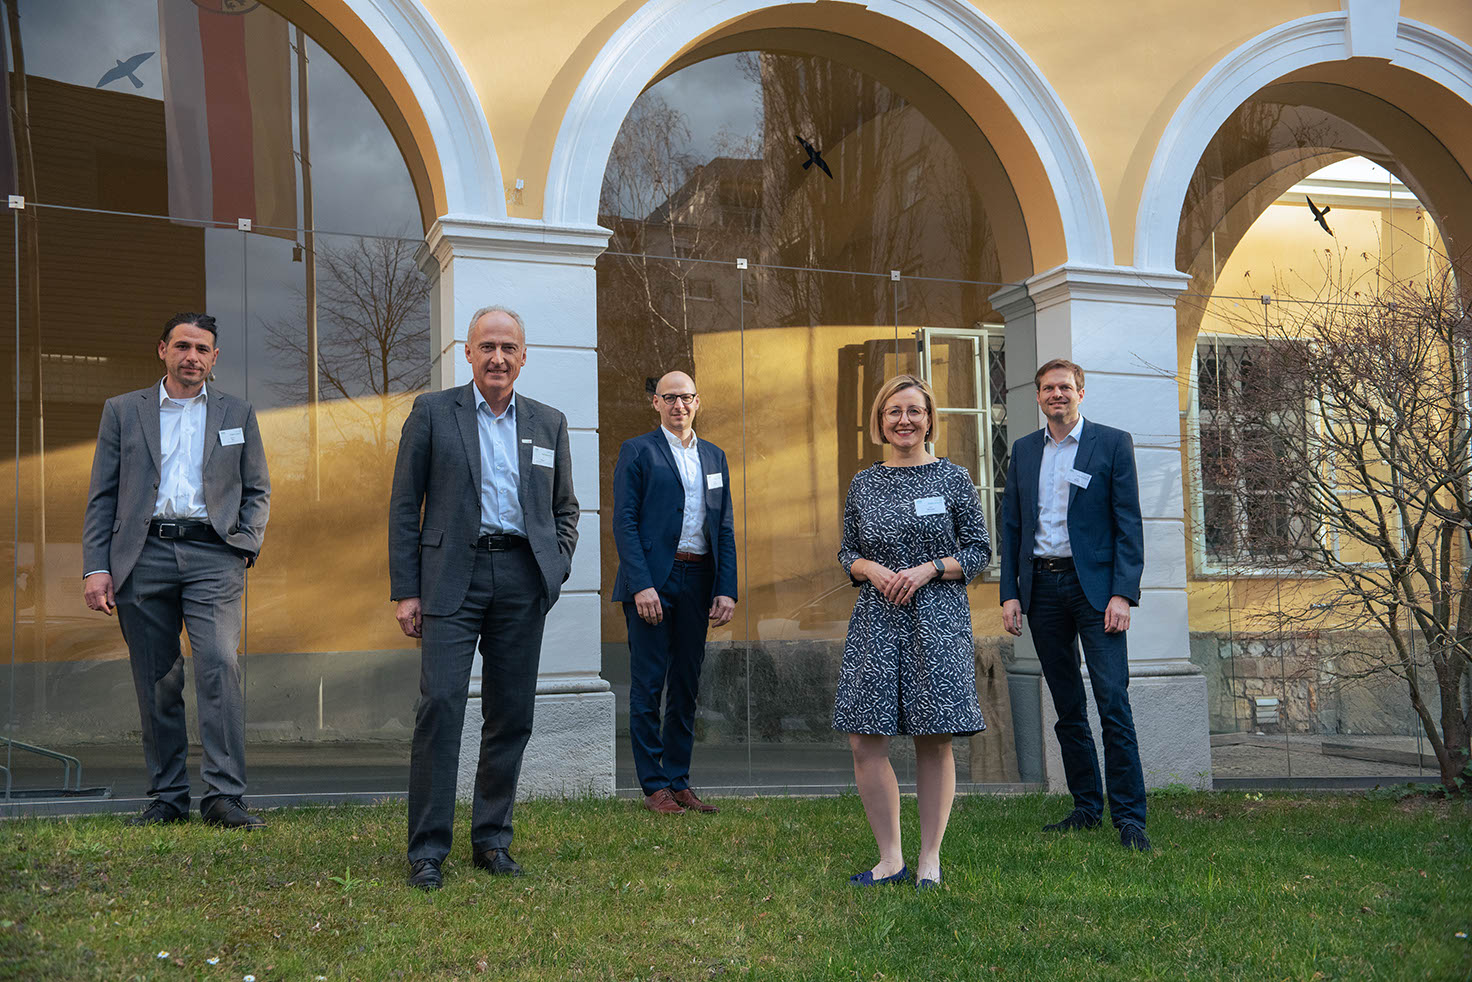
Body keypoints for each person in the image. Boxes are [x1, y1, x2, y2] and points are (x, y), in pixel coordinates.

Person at [389, 305, 579, 891]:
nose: (498, 358)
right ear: (468, 353)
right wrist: (406, 591)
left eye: (508, 348)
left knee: (511, 714)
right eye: (487, 347)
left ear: (523, 358)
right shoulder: (432, 412)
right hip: (451, 577)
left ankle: (492, 840)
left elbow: (565, 508)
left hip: (521, 578)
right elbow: (405, 506)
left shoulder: (549, 422)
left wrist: (555, 566)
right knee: (441, 707)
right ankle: (427, 851)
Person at [82, 312, 271, 830]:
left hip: (213, 555)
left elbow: (257, 488)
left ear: (215, 358)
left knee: (219, 667)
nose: (192, 356)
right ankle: (167, 797)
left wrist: (245, 543)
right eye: (183, 346)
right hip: (143, 556)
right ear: (162, 349)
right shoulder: (123, 411)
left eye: (202, 349)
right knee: (157, 679)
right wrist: (96, 567)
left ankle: (224, 797)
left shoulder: (237, 411)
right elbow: (102, 494)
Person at [834, 374, 990, 889]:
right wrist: (869, 569)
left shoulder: (954, 478)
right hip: (876, 618)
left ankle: (929, 860)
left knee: (934, 737)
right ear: (880, 422)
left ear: (929, 420)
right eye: (894, 411)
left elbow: (978, 550)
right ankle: (890, 860)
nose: (904, 420)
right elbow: (847, 551)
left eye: (914, 411)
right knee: (864, 739)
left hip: (937, 618)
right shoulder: (864, 483)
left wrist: (930, 569)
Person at [998, 358, 1150, 852]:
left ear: (1080, 393)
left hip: (1097, 594)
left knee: (1113, 703)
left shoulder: (1112, 443)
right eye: (1048, 388)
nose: (1056, 395)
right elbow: (1012, 527)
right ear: (1038, 396)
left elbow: (1128, 523)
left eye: (1065, 387)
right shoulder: (1024, 450)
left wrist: (1123, 593)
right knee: (1066, 706)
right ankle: (1086, 807)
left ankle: (1129, 819)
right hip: (1042, 590)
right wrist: (1010, 592)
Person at [611, 371, 737, 815]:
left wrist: (726, 588)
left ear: (697, 401)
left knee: (686, 685)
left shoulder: (715, 456)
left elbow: (723, 526)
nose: (678, 405)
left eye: (686, 397)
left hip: (699, 579)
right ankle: (654, 786)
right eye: (669, 398)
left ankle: (679, 781)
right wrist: (641, 584)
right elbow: (624, 522)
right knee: (648, 686)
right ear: (656, 403)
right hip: (653, 582)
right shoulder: (638, 451)